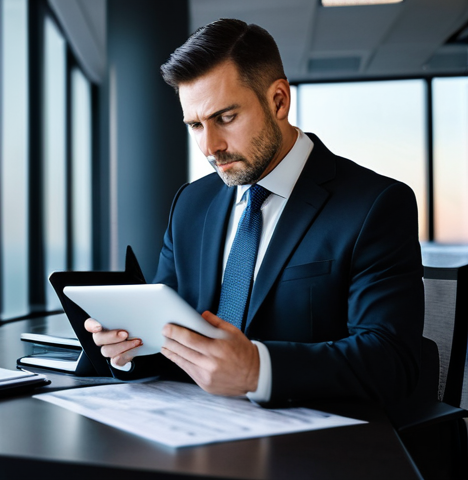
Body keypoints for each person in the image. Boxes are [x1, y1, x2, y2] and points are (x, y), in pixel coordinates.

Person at [85, 18, 424, 407]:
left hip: (314, 448)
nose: (210, 147)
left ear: (279, 100)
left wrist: (257, 371)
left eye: (225, 118)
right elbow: (168, 335)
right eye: (195, 125)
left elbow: (392, 362)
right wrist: (130, 350)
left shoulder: (374, 204)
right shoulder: (190, 204)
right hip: (193, 432)